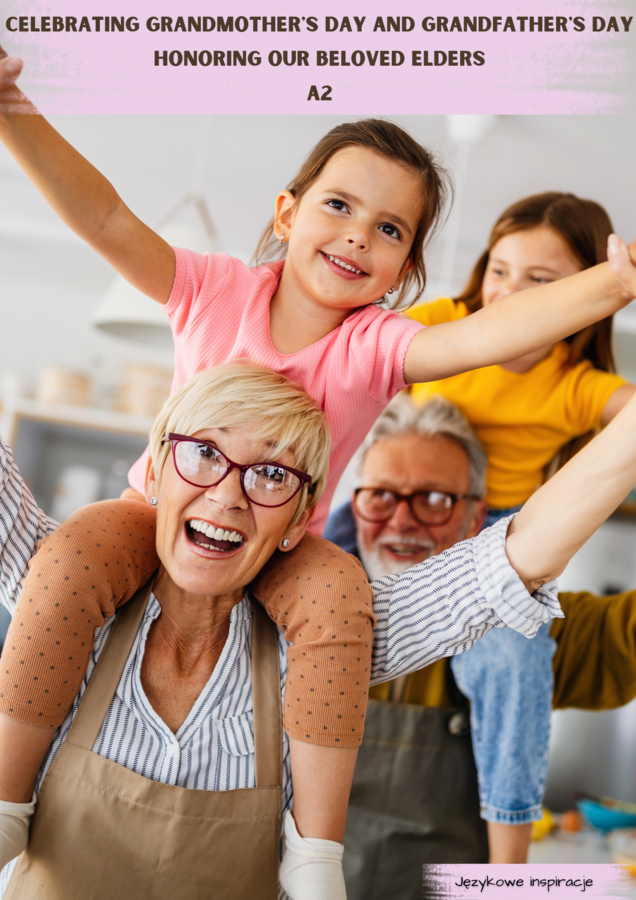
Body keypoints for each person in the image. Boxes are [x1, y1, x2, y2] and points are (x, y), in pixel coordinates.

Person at [1, 49, 636, 866]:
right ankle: (11, 796)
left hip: (287, 545)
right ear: (287, 211)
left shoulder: (376, 346)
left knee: (343, 598)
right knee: (69, 557)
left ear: (406, 269)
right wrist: (14, 110)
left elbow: (486, 333)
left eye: (389, 229)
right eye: (337, 205)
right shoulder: (214, 290)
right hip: (153, 515)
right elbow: (107, 220)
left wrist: (608, 291)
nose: (355, 235)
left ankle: (315, 852)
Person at [0, 361, 592, 899]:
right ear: (154, 474)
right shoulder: (63, 596)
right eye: (203, 453)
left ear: (300, 519)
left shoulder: (323, 645)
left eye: (270, 475)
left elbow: (519, 555)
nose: (228, 496)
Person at [400, 192, 636, 862]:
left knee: (516, 662)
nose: (508, 293)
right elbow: (358, 365)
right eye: (499, 269)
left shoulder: (574, 384)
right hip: (397, 508)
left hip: (497, 542)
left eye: (541, 281)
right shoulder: (443, 322)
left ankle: (509, 868)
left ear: (589, 296)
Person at [325, 394, 636, 894]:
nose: (401, 521)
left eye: (434, 499)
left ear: (477, 518)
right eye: (381, 495)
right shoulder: (302, 623)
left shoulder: (532, 629)